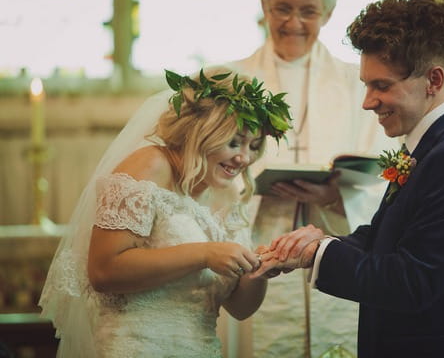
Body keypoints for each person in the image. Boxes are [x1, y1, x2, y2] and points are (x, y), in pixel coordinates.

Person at [253, 0, 444, 357]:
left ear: (434, 80)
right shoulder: (434, 146)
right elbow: (388, 241)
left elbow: (413, 281)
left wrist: (319, 255)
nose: (367, 101)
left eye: (382, 85)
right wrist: (311, 248)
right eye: (366, 84)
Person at [38, 67, 292, 357]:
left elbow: (240, 308)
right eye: (234, 142)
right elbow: (103, 271)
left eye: (254, 146)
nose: (244, 157)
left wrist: (259, 271)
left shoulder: (229, 193)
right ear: (202, 131)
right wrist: (205, 254)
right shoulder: (149, 166)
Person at [222, 0, 394, 356]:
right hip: (259, 239)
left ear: (328, 13)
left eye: (308, 11)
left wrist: (335, 195)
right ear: (264, 6)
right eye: (282, 8)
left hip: (334, 238)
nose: (293, 22)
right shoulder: (234, 83)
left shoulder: (356, 85)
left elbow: (381, 171)